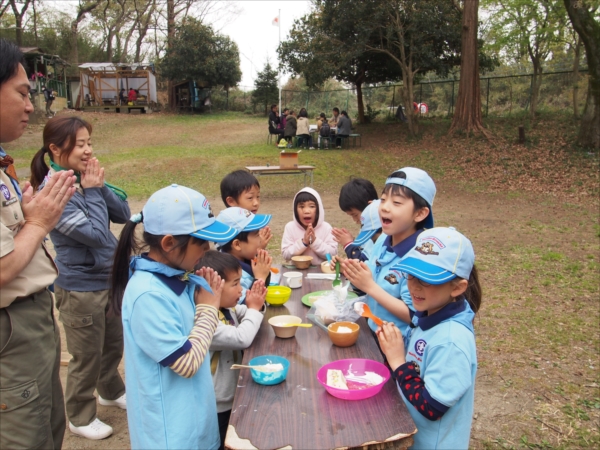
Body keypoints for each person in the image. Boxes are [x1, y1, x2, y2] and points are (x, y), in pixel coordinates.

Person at [111, 184, 237, 450]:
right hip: (169, 435)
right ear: (169, 243)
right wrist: (208, 308)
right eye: (201, 241)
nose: (209, 248)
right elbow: (187, 363)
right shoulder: (148, 295)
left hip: (195, 424)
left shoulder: (178, 277)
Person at [29, 116, 130, 440]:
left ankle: (111, 390)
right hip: (80, 289)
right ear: (55, 148)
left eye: (89, 143)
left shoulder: (81, 178)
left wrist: (98, 188)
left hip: (107, 280)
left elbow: (124, 215)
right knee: (86, 356)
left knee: (113, 344)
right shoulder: (55, 190)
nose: (87, 150)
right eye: (80, 144)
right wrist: (90, 191)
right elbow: (98, 234)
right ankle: (80, 415)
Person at [0, 38, 76, 450]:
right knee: (26, 437)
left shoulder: (2, 163)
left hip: (33, 319)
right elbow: (2, 269)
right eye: (22, 93)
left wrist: (30, 217)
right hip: (11, 327)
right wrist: (39, 222)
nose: (31, 106)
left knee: (48, 426)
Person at [378, 227, 481, 449]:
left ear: (458, 287)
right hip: (409, 433)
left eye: (427, 279)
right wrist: (392, 348)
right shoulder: (427, 315)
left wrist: (397, 361)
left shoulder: (451, 341)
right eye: (412, 275)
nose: (414, 285)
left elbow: (432, 407)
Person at [341, 168, 436, 341]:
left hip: (397, 348)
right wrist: (350, 269)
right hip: (373, 333)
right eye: (383, 199)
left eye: (396, 202)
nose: (384, 207)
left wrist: (370, 287)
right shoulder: (383, 240)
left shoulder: (420, 256)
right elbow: (370, 272)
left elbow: (415, 314)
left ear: (420, 213)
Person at [198, 251, 267, 450]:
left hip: (232, 394)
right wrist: (254, 308)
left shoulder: (228, 308)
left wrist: (256, 303)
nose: (240, 289)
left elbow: (251, 316)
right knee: (220, 441)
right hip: (217, 402)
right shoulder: (206, 320)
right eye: (235, 283)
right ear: (214, 288)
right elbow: (242, 337)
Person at [216, 207, 273, 304]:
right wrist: (260, 278)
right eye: (257, 235)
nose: (261, 239)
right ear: (237, 245)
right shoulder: (230, 275)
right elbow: (244, 308)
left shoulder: (243, 258)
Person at [281, 187, 338, 264]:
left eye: (312, 206)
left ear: (318, 209)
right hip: (297, 272)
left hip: (320, 273)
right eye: (301, 206)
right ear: (295, 209)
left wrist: (315, 241)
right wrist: (303, 243)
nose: (306, 211)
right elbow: (286, 255)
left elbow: (333, 254)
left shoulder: (326, 228)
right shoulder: (290, 227)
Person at [220, 170, 272, 249]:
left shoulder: (251, 223)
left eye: (258, 196)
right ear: (231, 201)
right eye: (250, 198)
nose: (256, 203)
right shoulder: (228, 229)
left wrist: (260, 247)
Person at [332, 178, 380, 261]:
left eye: (355, 215)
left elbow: (363, 262)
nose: (355, 220)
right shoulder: (368, 227)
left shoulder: (375, 231)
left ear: (369, 206)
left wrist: (348, 244)